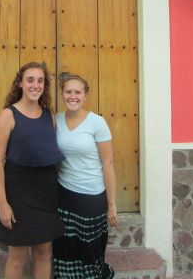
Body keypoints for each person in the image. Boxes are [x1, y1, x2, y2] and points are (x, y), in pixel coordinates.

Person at [0, 62, 65, 279]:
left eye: (40, 81)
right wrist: (3, 204)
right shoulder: (8, 116)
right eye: (30, 80)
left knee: (43, 251)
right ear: (20, 83)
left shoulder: (49, 115)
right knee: (18, 255)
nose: (35, 85)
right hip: (19, 192)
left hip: (46, 191)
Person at [53, 72, 118, 279]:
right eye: (68, 92)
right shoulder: (56, 120)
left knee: (89, 250)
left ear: (85, 95)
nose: (73, 96)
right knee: (65, 247)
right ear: (62, 94)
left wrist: (112, 204)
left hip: (91, 196)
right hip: (64, 195)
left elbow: (108, 164)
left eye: (77, 92)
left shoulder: (97, 123)